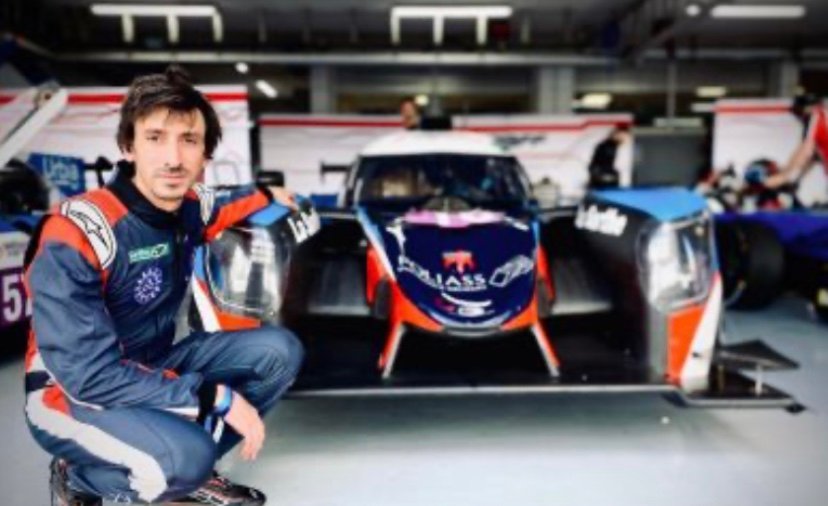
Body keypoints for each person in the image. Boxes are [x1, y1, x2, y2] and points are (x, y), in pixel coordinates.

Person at [23, 66, 303, 506]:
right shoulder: (76, 230)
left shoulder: (189, 206)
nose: (173, 158)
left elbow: (226, 203)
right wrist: (216, 397)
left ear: (205, 154)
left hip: (150, 366)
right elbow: (87, 376)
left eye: (188, 140)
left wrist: (269, 195)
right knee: (184, 460)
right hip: (69, 394)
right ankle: (81, 478)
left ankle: (191, 471)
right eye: (155, 138)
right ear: (128, 146)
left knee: (277, 352)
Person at [765, 93, 825, 189]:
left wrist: (784, 176)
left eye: (799, 111)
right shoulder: (819, 118)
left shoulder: (816, 117)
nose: (799, 116)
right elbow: (812, 155)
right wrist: (792, 175)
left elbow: (805, 151)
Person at [587, 125, 632, 189]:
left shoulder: (613, 146)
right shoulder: (607, 146)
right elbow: (597, 164)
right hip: (601, 176)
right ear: (616, 134)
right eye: (623, 136)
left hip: (604, 175)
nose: (625, 139)